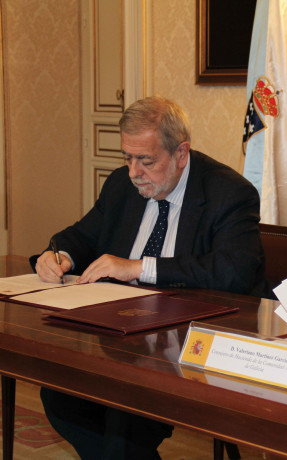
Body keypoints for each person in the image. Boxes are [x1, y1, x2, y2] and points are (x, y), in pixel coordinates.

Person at [36, 96, 267, 459]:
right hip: (122, 335)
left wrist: (140, 267)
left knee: (124, 417)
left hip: (190, 344)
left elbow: (234, 271)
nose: (133, 172)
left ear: (181, 153)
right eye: (127, 158)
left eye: (146, 161)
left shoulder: (227, 192)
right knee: (60, 395)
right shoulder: (121, 185)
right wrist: (59, 254)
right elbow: (83, 235)